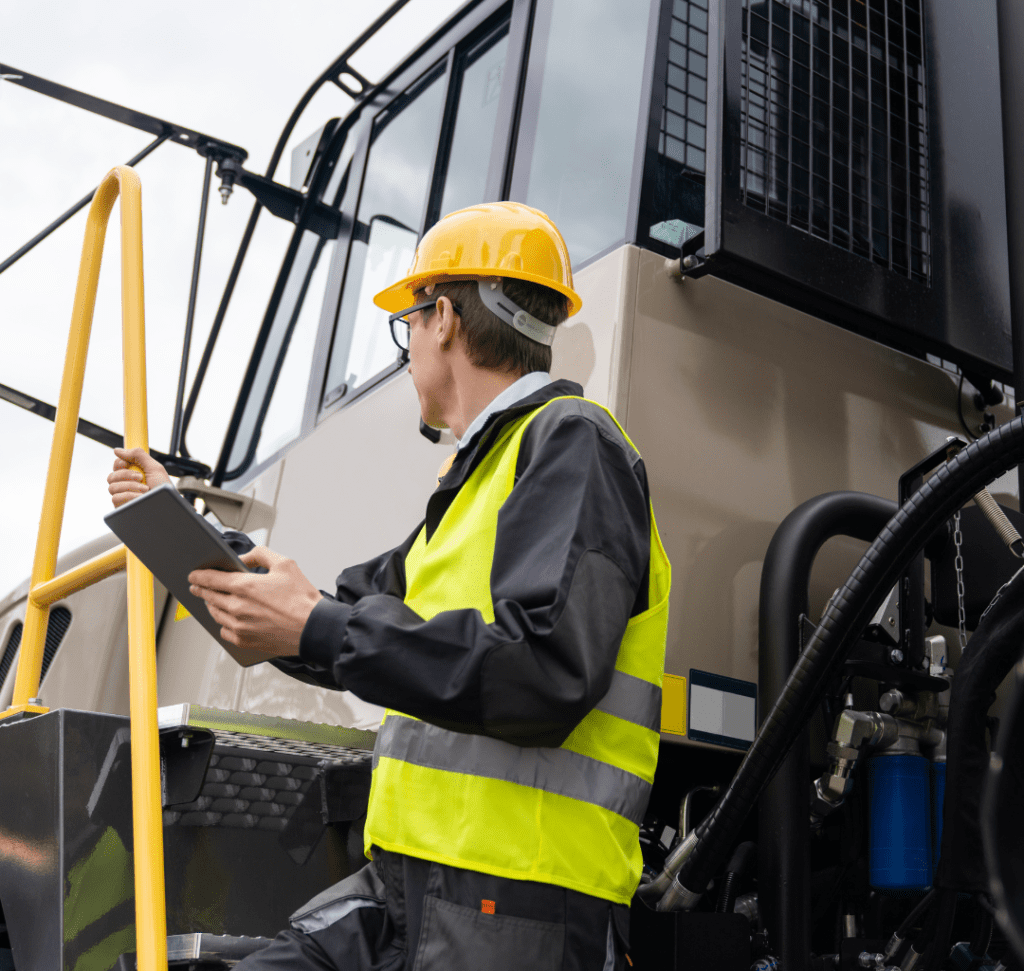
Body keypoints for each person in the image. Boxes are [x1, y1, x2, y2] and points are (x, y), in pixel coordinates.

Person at [108, 202, 670, 970]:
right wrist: (183, 519)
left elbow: (543, 672)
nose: (408, 353)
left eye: (406, 326)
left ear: (441, 318)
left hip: (515, 903)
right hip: (413, 887)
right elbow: (333, 621)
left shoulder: (574, 442)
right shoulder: (473, 490)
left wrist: (318, 626)